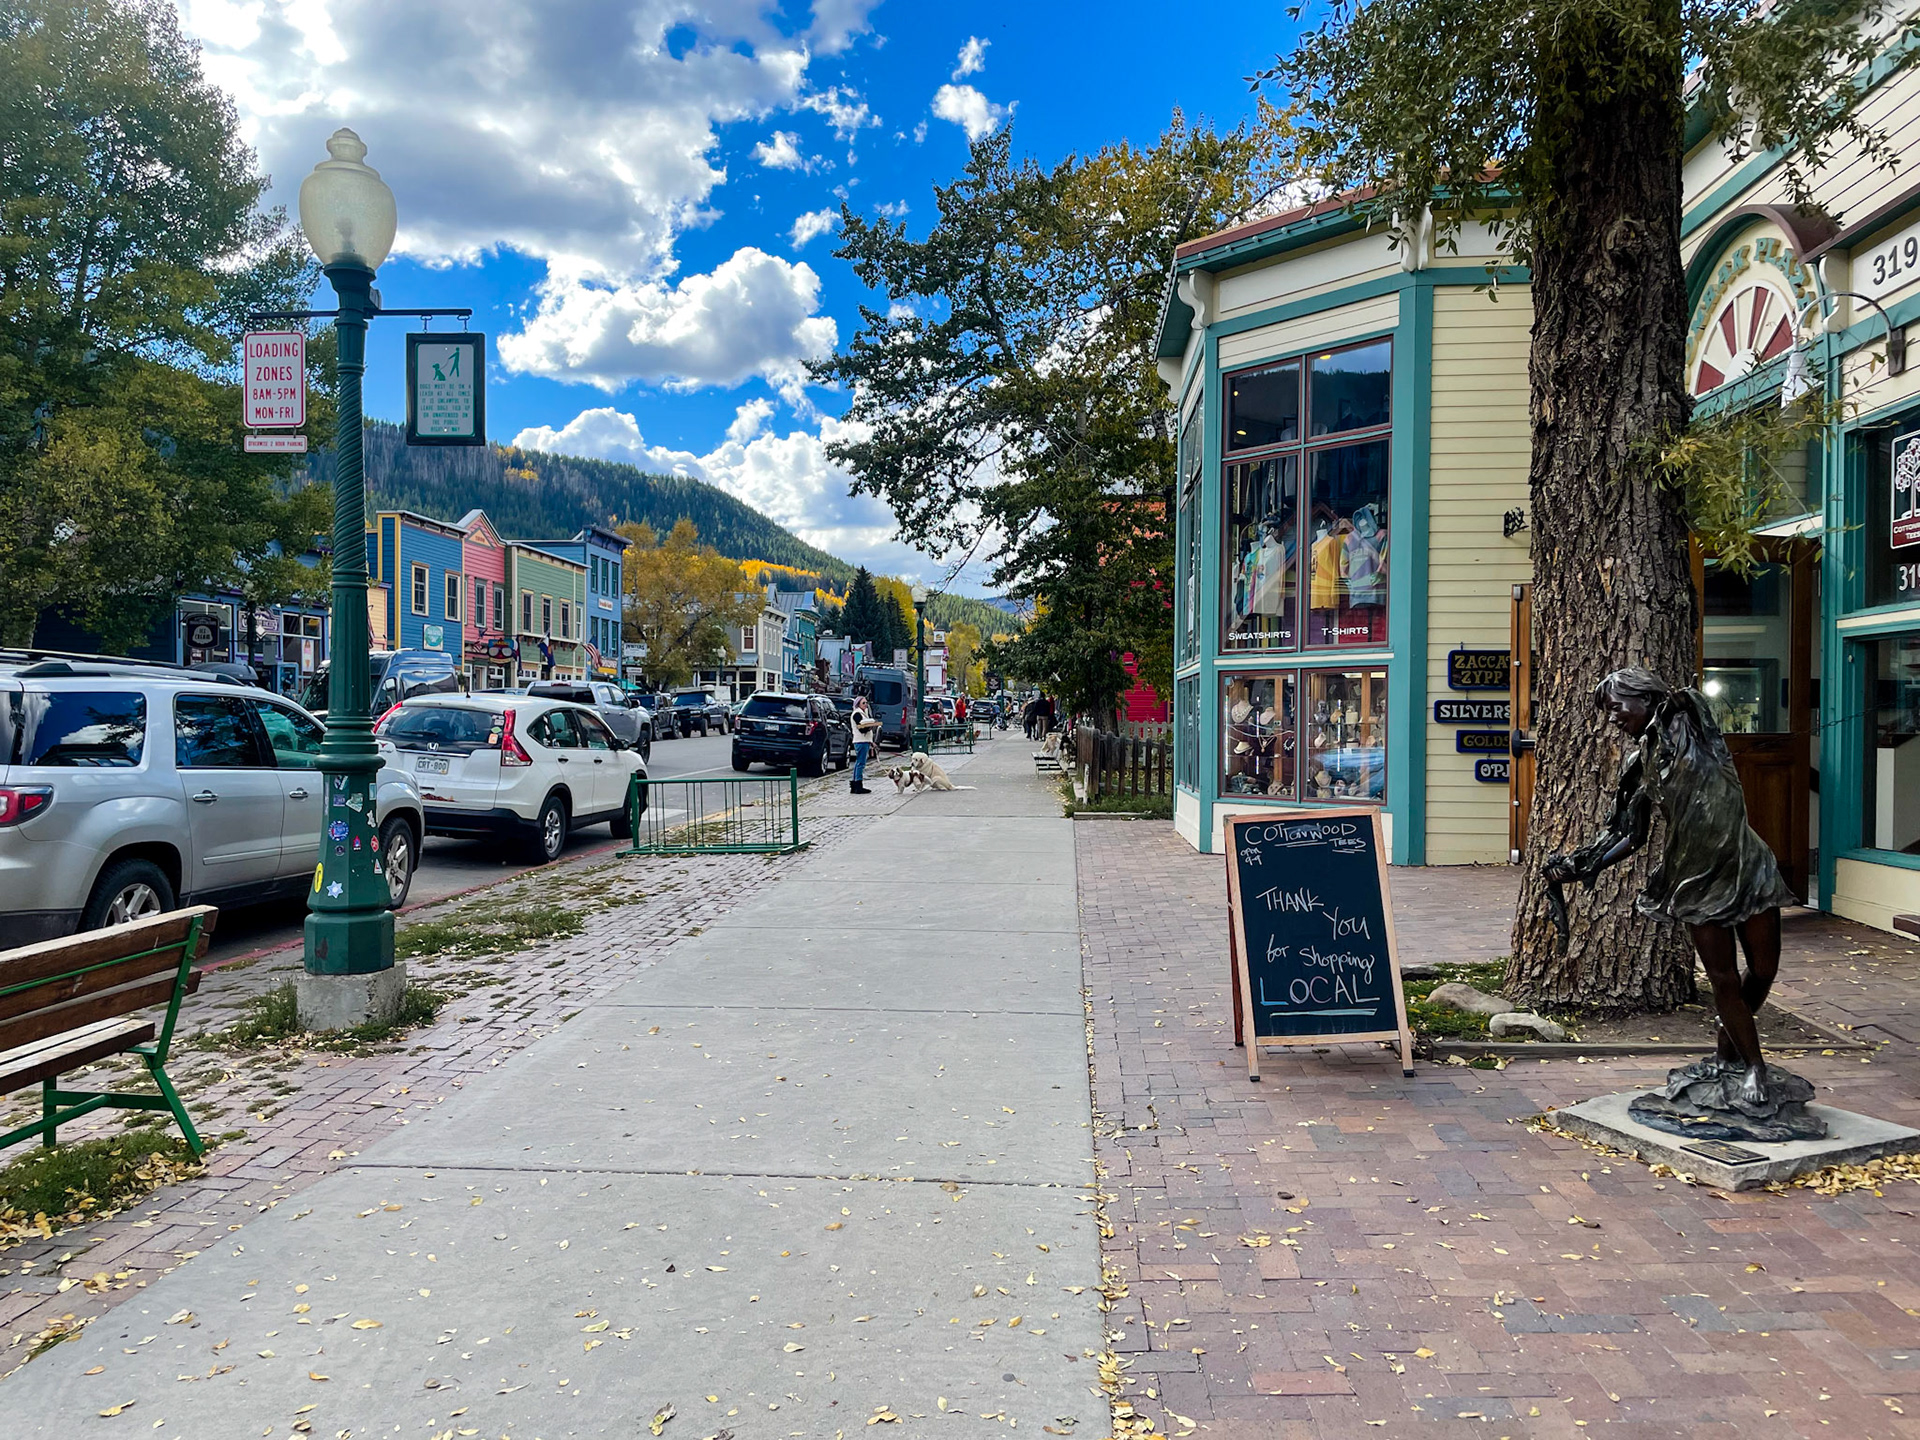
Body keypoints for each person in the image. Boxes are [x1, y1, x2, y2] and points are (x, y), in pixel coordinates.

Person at [1546, 666, 1798, 1106]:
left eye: (1616, 706)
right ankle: (1753, 1065)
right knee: (1722, 978)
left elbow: (1682, 697)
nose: (1611, 718)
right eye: (1606, 711)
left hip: (1747, 864)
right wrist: (1584, 865)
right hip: (1694, 878)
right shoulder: (1638, 765)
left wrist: (1664, 701)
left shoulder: (1693, 724)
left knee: (1763, 970)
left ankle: (1727, 1047)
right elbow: (1628, 833)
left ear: (1646, 698)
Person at [849, 696, 881, 795]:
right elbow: (862, 729)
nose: (866, 704)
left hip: (864, 741)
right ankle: (858, 785)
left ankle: (855, 784)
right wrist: (870, 726)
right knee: (860, 763)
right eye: (863, 703)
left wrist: (871, 741)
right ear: (858, 704)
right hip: (861, 741)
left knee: (859, 763)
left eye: (866, 702)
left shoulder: (863, 713)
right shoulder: (857, 714)